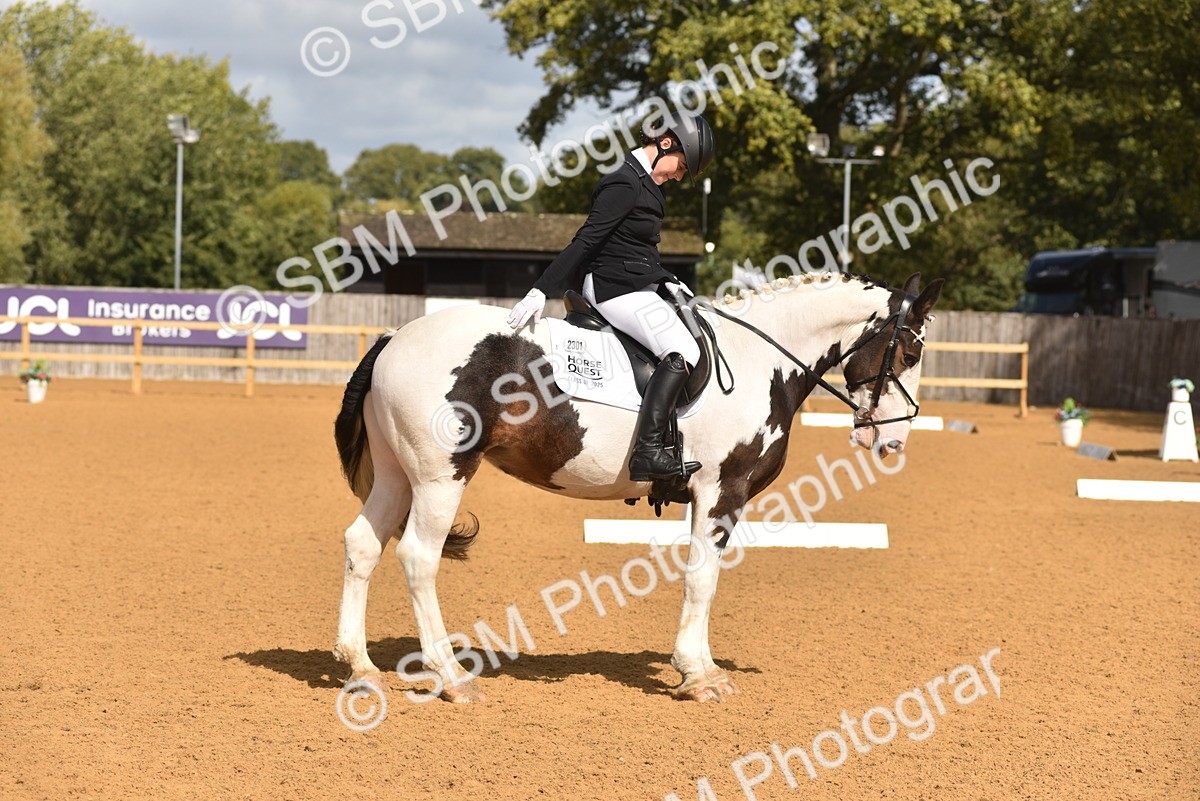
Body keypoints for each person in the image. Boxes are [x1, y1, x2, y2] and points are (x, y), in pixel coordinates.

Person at [507, 112, 716, 481]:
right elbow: (587, 240)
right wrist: (542, 288)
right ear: (665, 143)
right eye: (682, 166)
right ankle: (648, 451)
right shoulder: (623, 182)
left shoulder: (647, 184)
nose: (680, 176)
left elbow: (638, 250)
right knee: (683, 352)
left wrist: (667, 280)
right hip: (613, 289)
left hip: (636, 284)